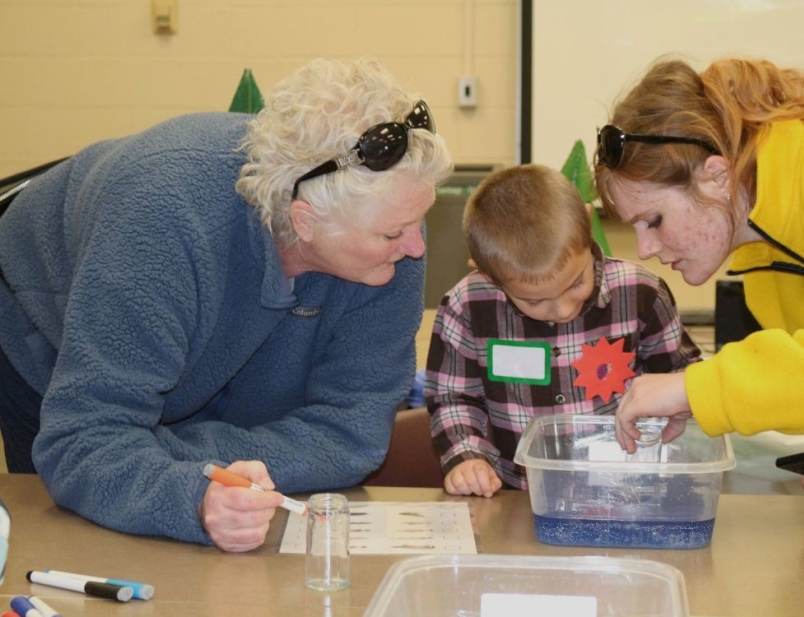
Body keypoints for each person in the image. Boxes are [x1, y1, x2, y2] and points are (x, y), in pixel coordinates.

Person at [0, 57, 452, 550]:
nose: (416, 247)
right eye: (393, 233)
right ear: (304, 221)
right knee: (88, 545)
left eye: (417, 222)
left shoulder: (392, 219)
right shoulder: (163, 222)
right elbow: (81, 442)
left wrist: (170, 458)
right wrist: (191, 494)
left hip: (203, 357)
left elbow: (353, 432)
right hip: (51, 337)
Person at [594, 56, 804, 520]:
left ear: (716, 176)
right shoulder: (767, 268)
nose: (645, 248)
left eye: (654, 220)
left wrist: (694, 387)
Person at [425, 164, 701, 497]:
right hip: (518, 497)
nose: (563, 309)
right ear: (487, 273)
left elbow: (683, 376)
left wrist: (685, 399)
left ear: (587, 226)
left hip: (628, 491)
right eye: (535, 301)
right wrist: (466, 457)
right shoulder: (466, 306)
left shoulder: (641, 292)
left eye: (576, 283)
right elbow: (454, 400)